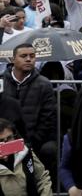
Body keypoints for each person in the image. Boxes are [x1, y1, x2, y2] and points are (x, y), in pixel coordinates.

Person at [1, 44, 57, 182]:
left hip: (32, 143)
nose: (29, 59)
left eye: (32, 56)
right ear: (13, 59)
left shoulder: (44, 84)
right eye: (23, 56)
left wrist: (27, 145)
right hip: (4, 141)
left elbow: (47, 120)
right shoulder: (2, 82)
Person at [0, 118, 52, 195]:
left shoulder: (25, 152)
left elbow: (42, 178)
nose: (6, 143)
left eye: (9, 138)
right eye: (1, 141)